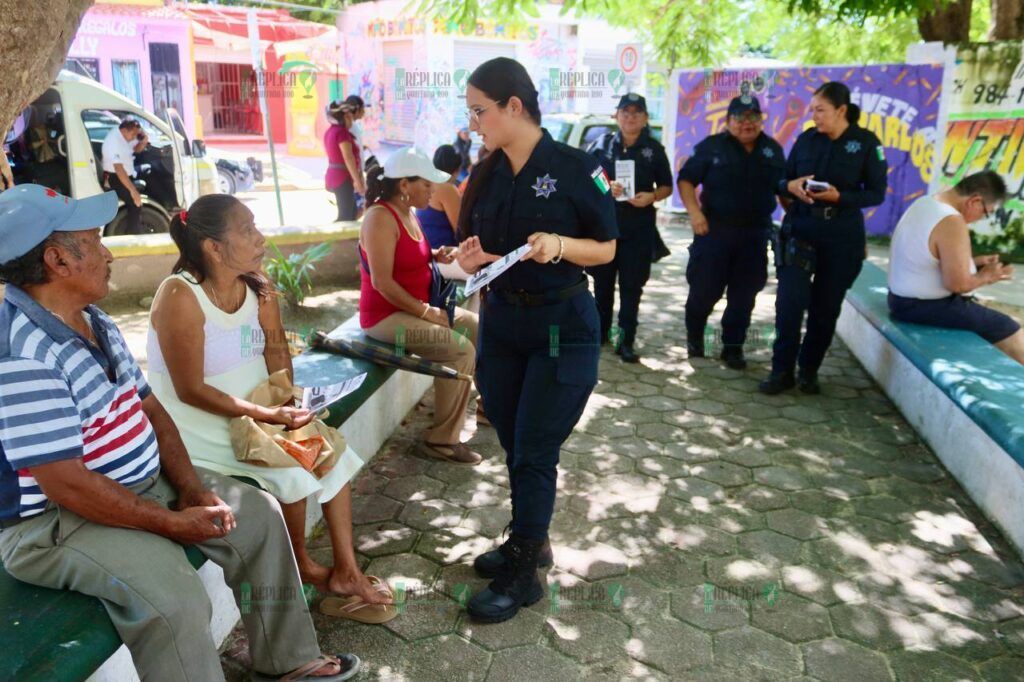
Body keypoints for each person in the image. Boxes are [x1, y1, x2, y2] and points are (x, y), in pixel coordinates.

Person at [0, 184, 360, 681]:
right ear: (58, 260)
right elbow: (66, 483)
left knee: (256, 517)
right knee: (174, 600)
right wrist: (170, 522)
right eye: (95, 241)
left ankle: (289, 662)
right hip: (58, 521)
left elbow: (151, 409)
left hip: (136, 484)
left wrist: (191, 488)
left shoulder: (91, 320)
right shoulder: (21, 355)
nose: (109, 253)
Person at [147, 193, 395, 621]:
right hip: (198, 426)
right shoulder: (179, 294)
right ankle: (300, 568)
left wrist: (290, 405)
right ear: (213, 247)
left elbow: (277, 356)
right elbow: (188, 390)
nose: (261, 238)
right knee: (293, 468)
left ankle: (347, 572)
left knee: (329, 456)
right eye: (247, 230)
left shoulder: (257, 286)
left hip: (257, 412)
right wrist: (268, 417)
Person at [454, 57, 617, 623]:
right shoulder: (487, 173)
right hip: (503, 325)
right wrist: (472, 260)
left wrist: (560, 244)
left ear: (514, 107)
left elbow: (607, 248)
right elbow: (482, 255)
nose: (474, 123)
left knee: (535, 448)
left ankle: (524, 573)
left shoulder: (577, 167)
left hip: (560, 326)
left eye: (480, 111)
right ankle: (531, 537)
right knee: (515, 442)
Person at [760, 81, 888, 395]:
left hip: (841, 238)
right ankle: (781, 371)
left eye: (821, 109)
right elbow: (782, 180)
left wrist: (839, 196)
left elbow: (876, 193)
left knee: (825, 308)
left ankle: (809, 370)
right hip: (801, 230)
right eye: (812, 109)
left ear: (841, 110)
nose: (814, 115)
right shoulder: (806, 140)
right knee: (789, 304)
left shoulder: (867, 144)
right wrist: (790, 186)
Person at [359, 146, 484, 464]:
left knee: (477, 328)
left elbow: (406, 257)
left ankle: (486, 405)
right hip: (384, 317)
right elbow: (382, 282)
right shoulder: (378, 217)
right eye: (426, 183)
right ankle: (442, 441)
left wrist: (434, 255)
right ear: (404, 185)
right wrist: (428, 312)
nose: (433, 189)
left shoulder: (407, 212)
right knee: (460, 349)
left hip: (411, 309)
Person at [677, 95, 786, 368]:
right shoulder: (712, 147)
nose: (746, 123)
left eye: (753, 117)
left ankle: (733, 348)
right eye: (740, 117)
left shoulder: (772, 150)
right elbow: (687, 179)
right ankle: (695, 338)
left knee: (744, 296)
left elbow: (783, 189)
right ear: (728, 121)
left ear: (761, 120)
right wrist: (694, 213)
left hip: (754, 235)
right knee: (704, 291)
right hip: (714, 232)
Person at [888, 171, 1023, 363]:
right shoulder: (951, 220)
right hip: (922, 307)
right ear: (975, 201)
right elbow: (958, 285)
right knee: (1008, 328)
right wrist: (987, 276)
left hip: (901, 300)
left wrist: (974, 263)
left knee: (984, 313)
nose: (980, 218)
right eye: (986, 213)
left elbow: (927, 258)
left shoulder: (926, 202)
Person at [587, 93, 674, 362]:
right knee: (602, 285)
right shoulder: (601, 145)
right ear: (617, 115)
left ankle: (626, 341)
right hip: (605, 229)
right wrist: (606, 187)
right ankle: (600, 335)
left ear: (645, 118)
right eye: (625, 111)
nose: (631, 117)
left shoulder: (654, 150)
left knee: (631, 287)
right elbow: (587, 178)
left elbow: (667, 186)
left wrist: (652, 197)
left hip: (638, 228)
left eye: (637, 112)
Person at [417, 144, 478, 296]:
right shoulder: (446, 188)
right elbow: (461, 230)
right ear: (457, 170)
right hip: (440, 256)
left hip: (429, 253)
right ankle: (472, 318)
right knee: (482, 273)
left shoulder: (427, 183)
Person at [102, 118, 146, 234]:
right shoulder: (113, 141)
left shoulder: (124, 137)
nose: (134, 137)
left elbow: (135, 150)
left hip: (126, 174)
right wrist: (133, 191)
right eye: (133, 134)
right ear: (126, 130)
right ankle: (133, 234)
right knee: (135, 202)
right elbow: (119, 169)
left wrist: (143, 141)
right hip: (115, 177)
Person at [324, 101, 365, 222]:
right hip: (342, 178)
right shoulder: (342, 133)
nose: (351, 120)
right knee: (346, 217)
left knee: (351, 213)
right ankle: (332, 240)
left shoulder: (330, 131)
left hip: (336, 176)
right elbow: (348, 157)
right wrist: (358, 181)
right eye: (348, 116)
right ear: (343, 117)